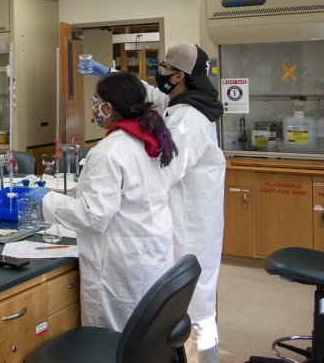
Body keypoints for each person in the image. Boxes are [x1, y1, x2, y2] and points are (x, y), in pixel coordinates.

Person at [81, 44, 226, 362]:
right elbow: (150, 95)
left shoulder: (188, 119)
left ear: (179, 75)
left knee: (193, 307)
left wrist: (122, 159)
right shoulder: (184, 100)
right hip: (187, 217)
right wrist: (110, 73)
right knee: (179, 304)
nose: (158, 71)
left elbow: (166, 167)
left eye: (163, 66)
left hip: (191, 224)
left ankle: (207, 357)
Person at [22, 71, 178, 332]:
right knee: (146, 339)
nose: (95, 109)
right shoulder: (150, 142)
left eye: (97, 102)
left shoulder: (110, 151)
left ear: (109, 107)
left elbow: (93, 215)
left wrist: (47, 200)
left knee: (113, 341)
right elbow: (129, 195)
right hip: (151, 254)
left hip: (120, 265)